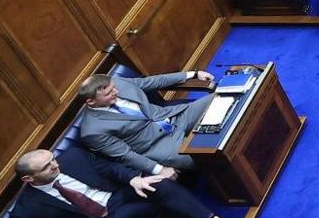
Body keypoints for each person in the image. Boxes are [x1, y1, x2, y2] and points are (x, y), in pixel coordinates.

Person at [8, 146, 244, 218]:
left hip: (116, 195)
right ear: (29, 179)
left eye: (53, 159)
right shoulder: (25, 210)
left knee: (157, 184)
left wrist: (134, 179)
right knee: (152, 205)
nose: (56, 165)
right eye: (47, 167)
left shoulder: (72, 157)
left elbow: (109, 168)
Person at [75, 69, 217, 173]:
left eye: (114, 88)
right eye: (108, 93)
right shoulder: (92, 131)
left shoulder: (116, 82)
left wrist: (192, 74)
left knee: (225, 97)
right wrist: (159, 170)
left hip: (175, 116)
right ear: (91, 102)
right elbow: (125, 155)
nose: (116, 92)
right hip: (158, 145)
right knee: (208, 156)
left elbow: (151, 82)